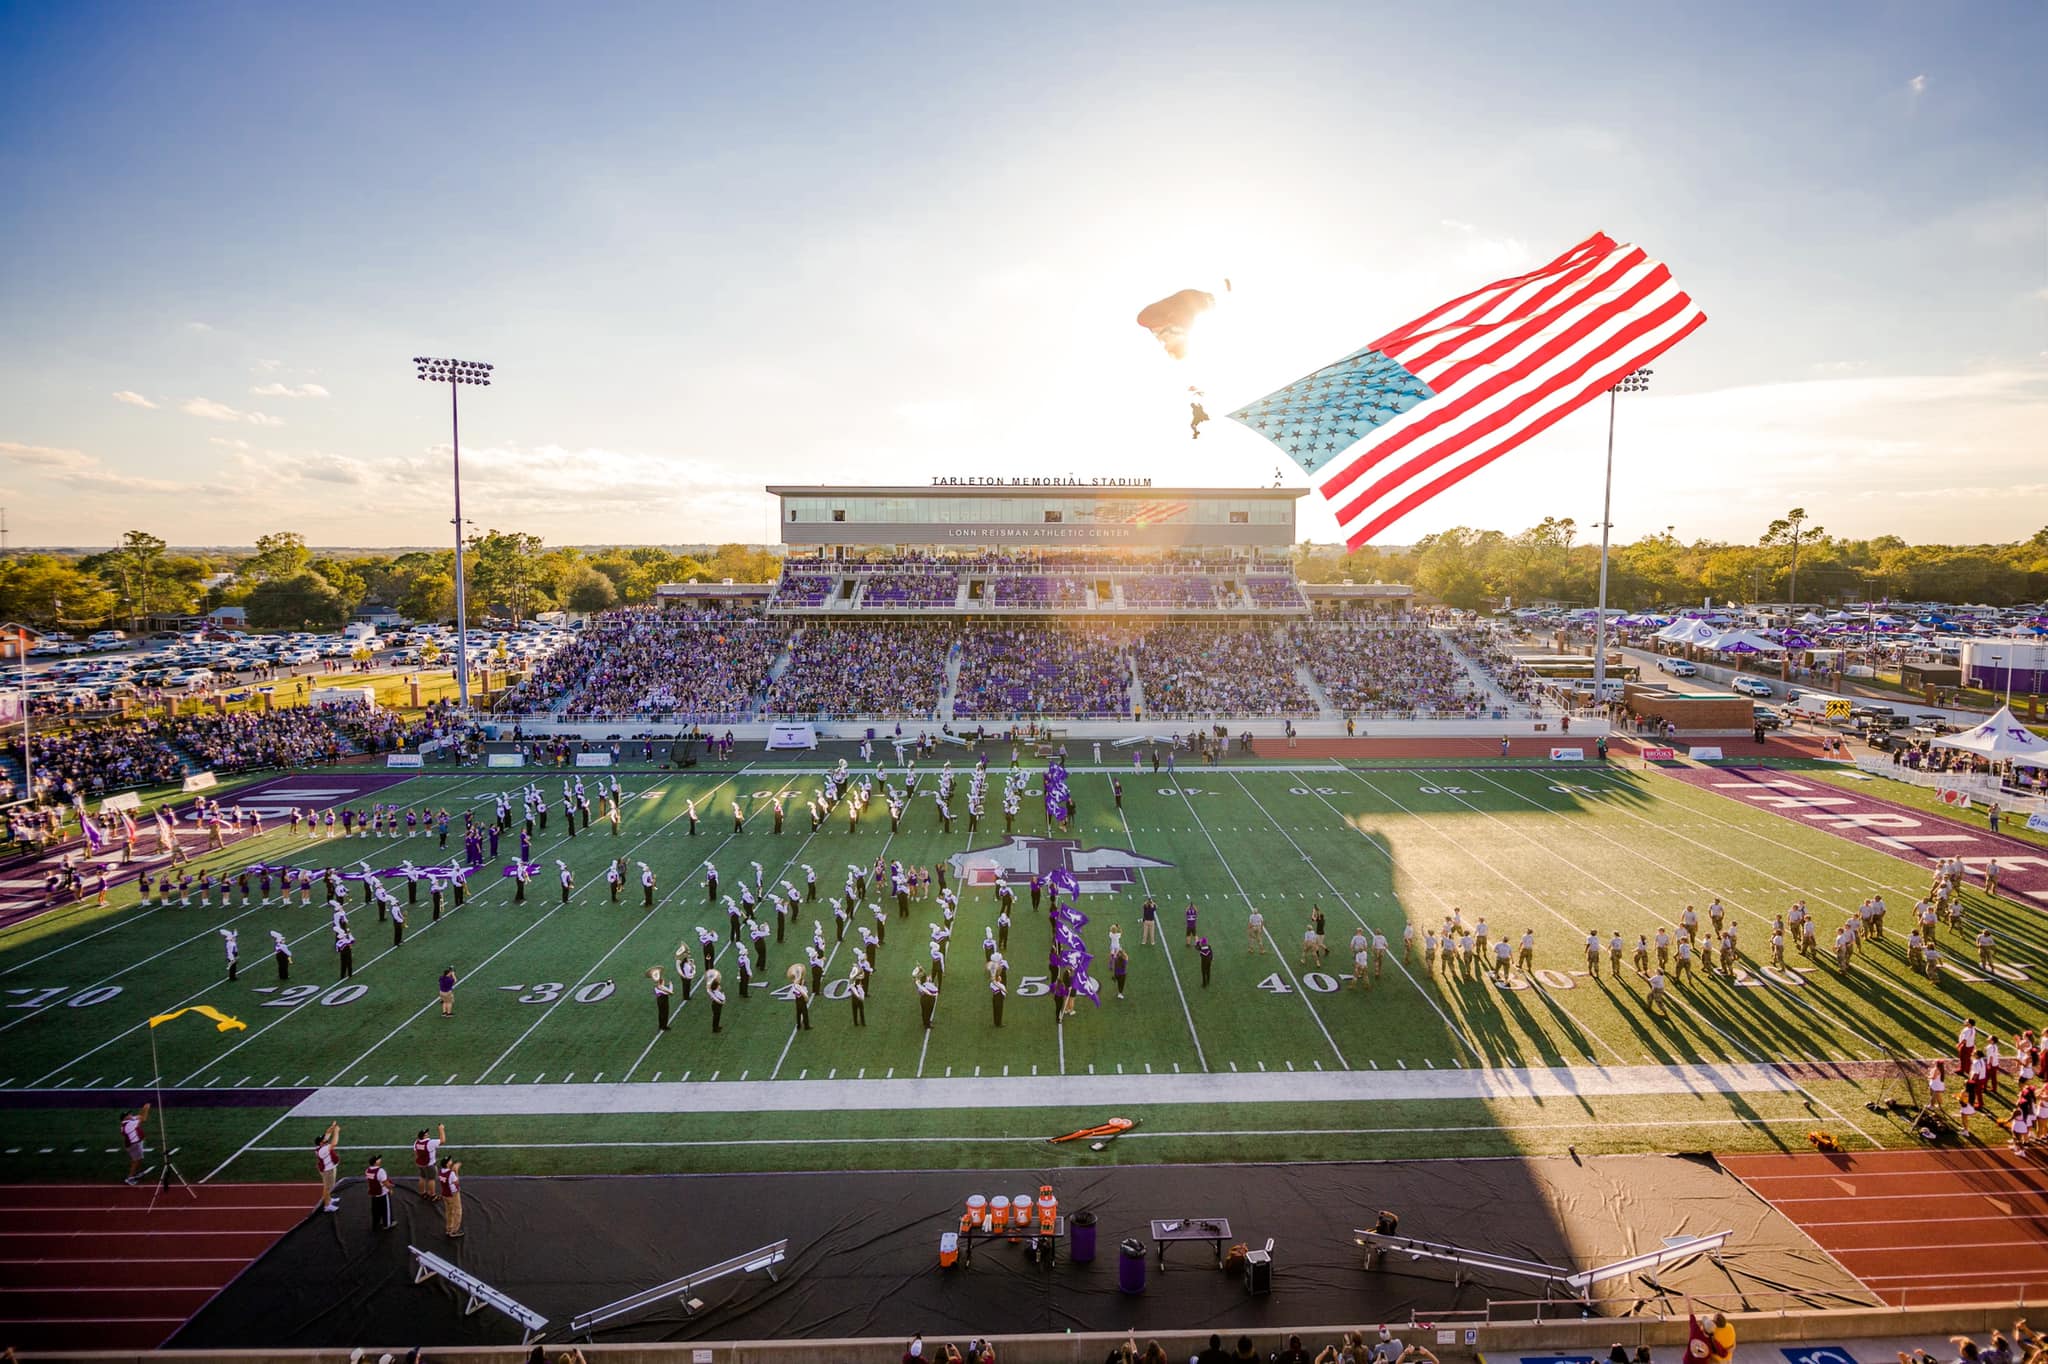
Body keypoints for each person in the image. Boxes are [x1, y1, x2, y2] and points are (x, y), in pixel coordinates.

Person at [121, 1103, 151, 1184]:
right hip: (134, 1145)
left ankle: (133, 1174)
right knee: (136, 1160)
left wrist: (143, 1109)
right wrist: (146, 1108)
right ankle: (129, 1178)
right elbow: (143, 1118)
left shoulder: (129, 1121)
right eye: (128, 1114)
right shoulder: (129, 1124)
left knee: (139, 1159)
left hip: (135, 1144)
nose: (131, 1114)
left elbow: (139, 1116)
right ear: (125, 1118)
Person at [315, 1121, 342, 1212]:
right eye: (324, 1140)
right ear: (321, 1143)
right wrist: (337, 1131)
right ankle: (327, 1206)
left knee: (328, 1187)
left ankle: (329, 1199)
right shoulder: (323, 1149)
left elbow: (327, 1133)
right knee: (327, 1188)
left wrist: (332, 1127)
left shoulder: (322, 1145)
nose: (325, 1139)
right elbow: (334, 1143)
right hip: (328, 1170)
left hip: (328, 1168)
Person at [413, 1124, 444, 1199]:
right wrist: (441, 1129)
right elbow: (442, 1140)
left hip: (420, 1163)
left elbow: (416, 1154)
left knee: (422, 1177)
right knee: (431, 1179)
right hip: (429, 1164)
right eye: (426, 1134)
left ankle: (422, 1193)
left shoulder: (416, 1142)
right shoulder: (430, 1143)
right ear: (423, 1136)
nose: (428, 1135)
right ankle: (432, 1195)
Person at [365, 1153, 395, 1230]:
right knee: (386, 1210)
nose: (380, 1160)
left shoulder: (367, 1170)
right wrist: (391, 1188)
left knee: (375, 1210)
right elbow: (386, 1183)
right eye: (378, 1159)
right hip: (382, 1194)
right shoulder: (380, 1171)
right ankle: (387, 1224)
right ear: (375, 1162)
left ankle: (375, 1224)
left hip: (374, 1194)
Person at [437, 1155, 463, 1238]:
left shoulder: (441, 1171)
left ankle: (449, 1229)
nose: (451, 1161)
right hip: (453, 1194)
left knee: (449, 1212)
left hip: (445, 1194)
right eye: (450, 1161)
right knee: (457, 1212)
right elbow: (457, 1183)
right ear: (447, 1164)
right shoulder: (451, 1173)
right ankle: (454, 1231)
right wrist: (456, 1170)